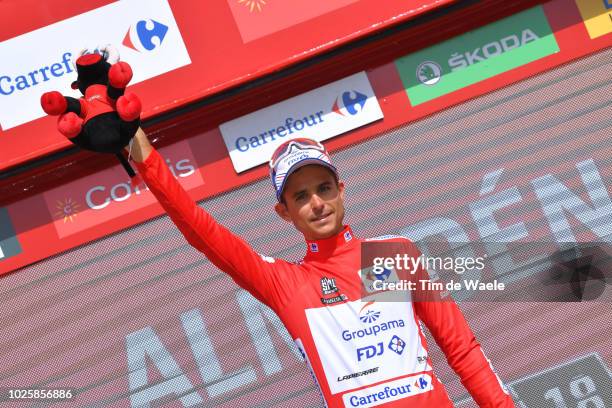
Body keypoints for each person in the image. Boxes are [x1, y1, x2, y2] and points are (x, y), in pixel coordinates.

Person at [127, 128, 514, 407]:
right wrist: (138, 146)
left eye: (324, 188)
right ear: (285, 212)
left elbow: (462, 350)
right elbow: (201, 230)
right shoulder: (287, 283)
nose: (317, 203)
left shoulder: (391, 256)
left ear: (341, 190)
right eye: (301, 195)